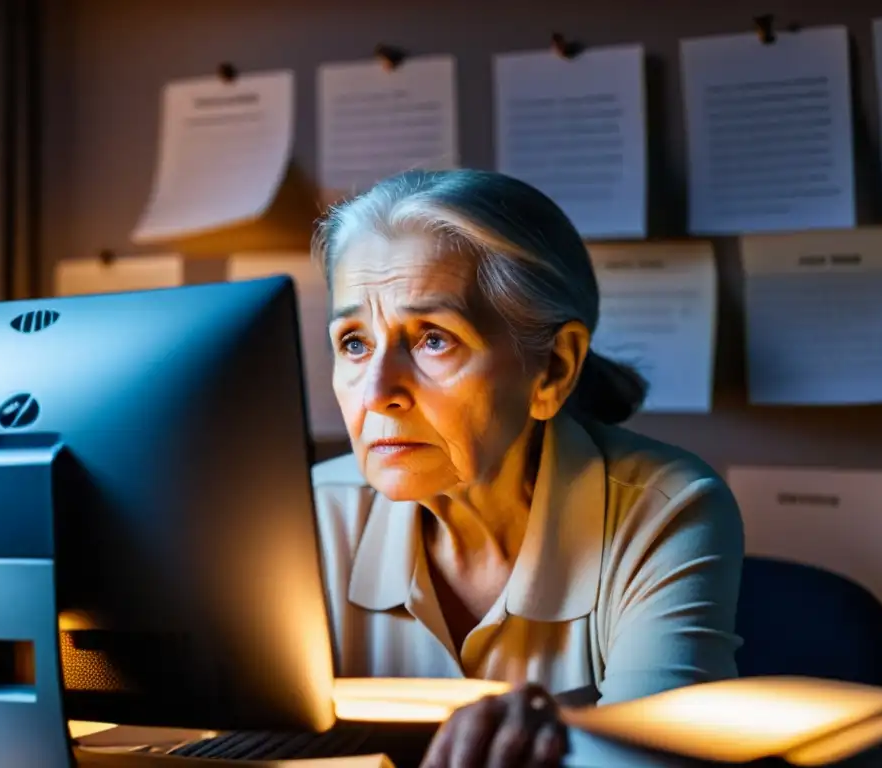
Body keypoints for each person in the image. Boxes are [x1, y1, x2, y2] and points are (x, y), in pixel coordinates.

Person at [310, 169, 744, 768]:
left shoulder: (666, 509)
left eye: (434, 338)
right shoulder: (305, 516)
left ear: (553, 371)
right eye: (354, 342)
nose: (378, 391)